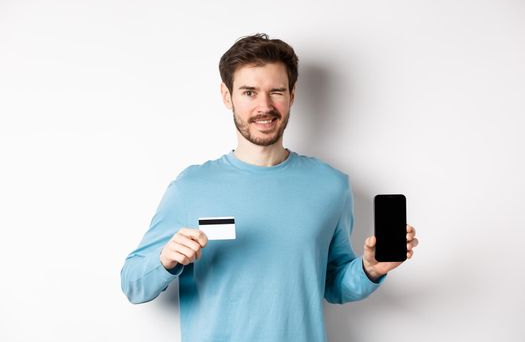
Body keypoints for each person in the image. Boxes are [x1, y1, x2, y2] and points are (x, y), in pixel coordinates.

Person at [120, 33, 419, 341]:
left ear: (292, 94)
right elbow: (133, 284)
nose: (264, 106)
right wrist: (165, 259)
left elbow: (334, 285)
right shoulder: (190, 187)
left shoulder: (331, 186)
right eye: (249, 92)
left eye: (276, 91)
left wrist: (370, 268)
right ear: (227, 95)